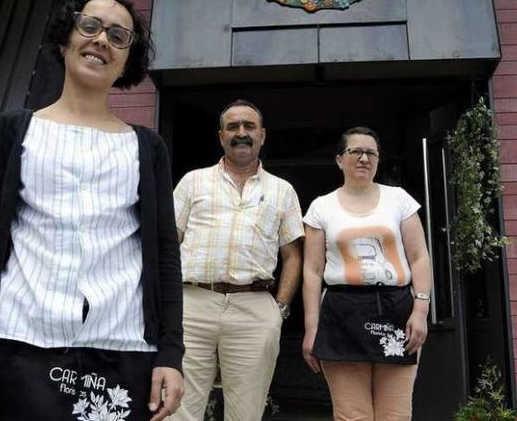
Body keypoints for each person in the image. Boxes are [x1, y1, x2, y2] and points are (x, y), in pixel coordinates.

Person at [0, 0, 184, 421]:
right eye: (90, 26)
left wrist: (170, 353)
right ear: (65, 38)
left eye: (119, 36)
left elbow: (164, 255)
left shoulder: (147, 148)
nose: (102, 40)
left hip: (121, 352)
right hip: (16, 346)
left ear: (129, 60)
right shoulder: (13, 131)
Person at [170, 100, 304, 421]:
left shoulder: (283, 191)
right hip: (192, 304)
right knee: (178, 408)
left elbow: (293, 255)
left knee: (246, 412)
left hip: (255, 307)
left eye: (249, 126)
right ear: (221, 136)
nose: (241, 133)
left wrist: (280, 308)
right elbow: (168, 243)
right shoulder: (192, 181)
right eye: (233, 127)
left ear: (262, 135)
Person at [301, 127, 431, 421]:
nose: (363, 158)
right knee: (351, 415)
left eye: (371, 152)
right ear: (339, 160)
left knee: (395, 415)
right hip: (341, 313)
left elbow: (419, 257)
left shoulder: (399, 200)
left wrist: (421, 309)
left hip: (397, 310)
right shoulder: (321, 207)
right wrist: (312, 328)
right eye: (355, 152)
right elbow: (312, 272)